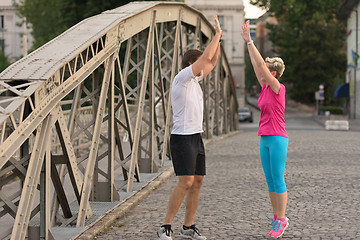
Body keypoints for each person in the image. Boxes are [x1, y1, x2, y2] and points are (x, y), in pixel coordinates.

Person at [157, 16, 222, 240]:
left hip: (195, 137)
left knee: (198, 182)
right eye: (199, 66)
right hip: (182, 138)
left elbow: (211, 62)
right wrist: (215, 36)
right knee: (185, 181)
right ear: (190, 65)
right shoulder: (182, 78)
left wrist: (219, 40)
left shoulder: (195, 81)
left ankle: (188, 227)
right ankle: (165, 226)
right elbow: (206, 58)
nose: (205, 68)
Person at [241, 20, 289, 238]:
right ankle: (276, 216)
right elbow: (256, 65)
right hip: (265, 138)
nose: (263, 73)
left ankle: (282, 219)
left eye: (268, 70)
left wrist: (251, 40)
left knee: (278, 178)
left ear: (274, 74)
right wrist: (247, 45)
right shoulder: (264, 88)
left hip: (278, 137)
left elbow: (261, 66)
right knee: (269, 179)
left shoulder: (278, 88)